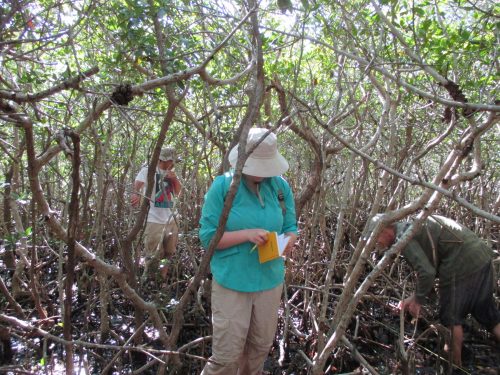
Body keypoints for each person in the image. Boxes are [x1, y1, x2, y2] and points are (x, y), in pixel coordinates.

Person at [199, 128, 298, 374]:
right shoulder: (223, 186)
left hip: (269, 280)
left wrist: (290, 239)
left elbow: (290, 226)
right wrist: (247, 235)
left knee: (259, 348)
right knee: (226, 356)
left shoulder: (280, 188)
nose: (260, 174)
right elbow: (208, 237)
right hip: (232, 282)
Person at [366, 214, 500, 369]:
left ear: (385, 231)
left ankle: (453, 366)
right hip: (480, 256)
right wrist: (414, 297)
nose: (376, 243)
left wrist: (418, 301)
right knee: (487, 313)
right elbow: (429, 268)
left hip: (461, 263)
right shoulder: (412, 226)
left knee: (450, 318)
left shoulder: (404, 237)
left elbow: (427, 273)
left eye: (375, 237)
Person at [130, 147, 182, 280]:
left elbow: (177, 193)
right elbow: (136, 186)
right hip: (154, 220)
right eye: (171, 161)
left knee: (169, 253)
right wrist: (135, 195)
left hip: (171, 219)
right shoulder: (148, 170)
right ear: (164, 160)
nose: (173, 164)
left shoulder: (172, 172)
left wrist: (174, 179)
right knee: (153, 255)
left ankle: (162, 278)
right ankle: (151, 282)